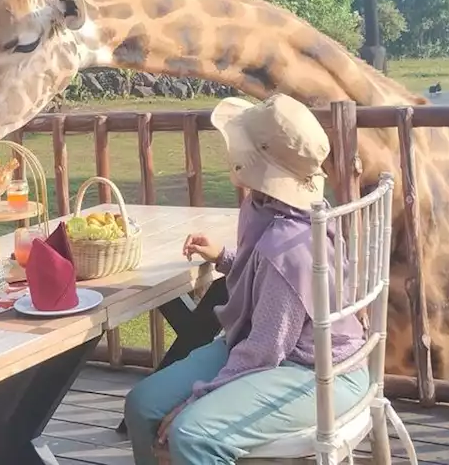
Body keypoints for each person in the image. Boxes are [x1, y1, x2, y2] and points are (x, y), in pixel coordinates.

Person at [123, 94, 371, 465]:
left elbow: (265, 351)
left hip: (318, 373)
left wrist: (199, 398)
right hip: (271, 347)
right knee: (142, 405)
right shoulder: (269, 208)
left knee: (191, 434)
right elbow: (271, 284)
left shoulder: (288, 246)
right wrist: (223, 257)